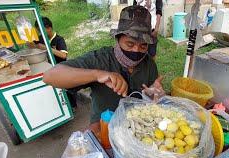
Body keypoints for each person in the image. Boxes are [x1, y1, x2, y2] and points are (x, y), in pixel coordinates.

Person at [43, 6, 165, 135]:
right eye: (130, 44)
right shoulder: (100, 60)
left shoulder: (148, 63)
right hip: (104, 127)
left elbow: (151, 94)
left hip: (139, 127)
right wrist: (97, 74)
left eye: (143, 46)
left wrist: (153, 93)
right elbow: (50, 76)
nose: (136, 50)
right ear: (118, 39)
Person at [30, 16, 77, 110]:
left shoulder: (59, 40)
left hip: (61, 67)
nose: (40, 33)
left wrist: (46, 47)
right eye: (39, 31)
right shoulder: (41, 38)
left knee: (66, 88)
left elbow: (63, 55)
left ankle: (73, 106)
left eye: (41, 30)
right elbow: (33, 44)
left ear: (49, 28)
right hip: (48, 67)